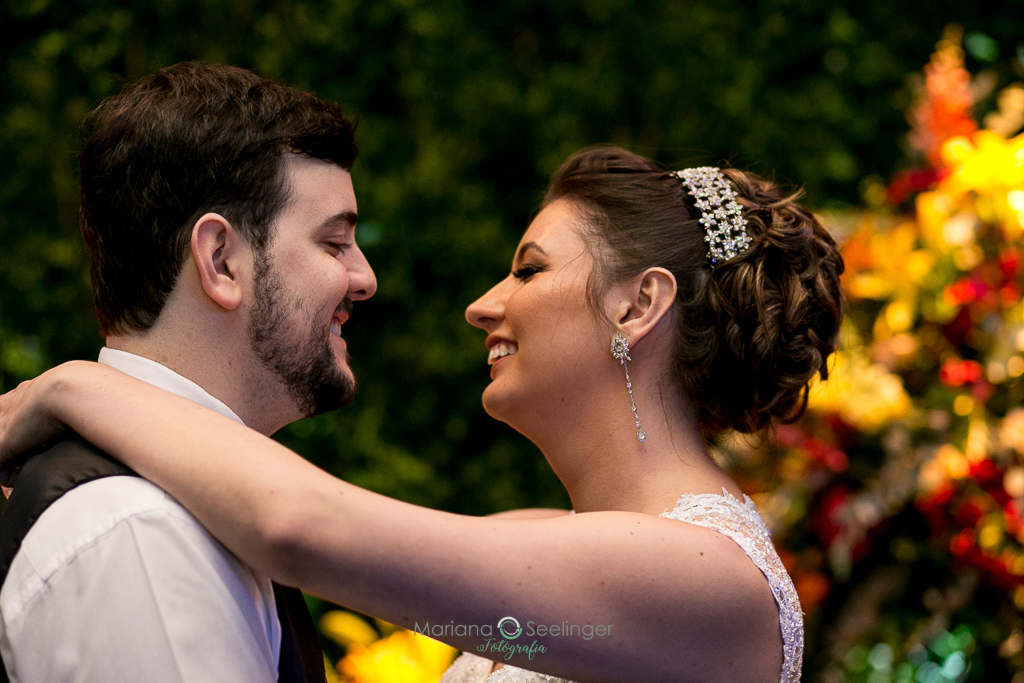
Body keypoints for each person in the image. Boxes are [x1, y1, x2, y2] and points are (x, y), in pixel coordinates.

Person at [0, 146, 844, 683]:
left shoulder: (711, 579)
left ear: (637, 307)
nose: (483, 305)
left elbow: (298, 526)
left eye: (528, 269)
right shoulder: (551, 541)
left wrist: (69, 387)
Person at [0, 62, 375, 682]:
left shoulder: (174, 514)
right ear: (221, 260)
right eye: (334, 244)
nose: (364, 279)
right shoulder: (139, 531)